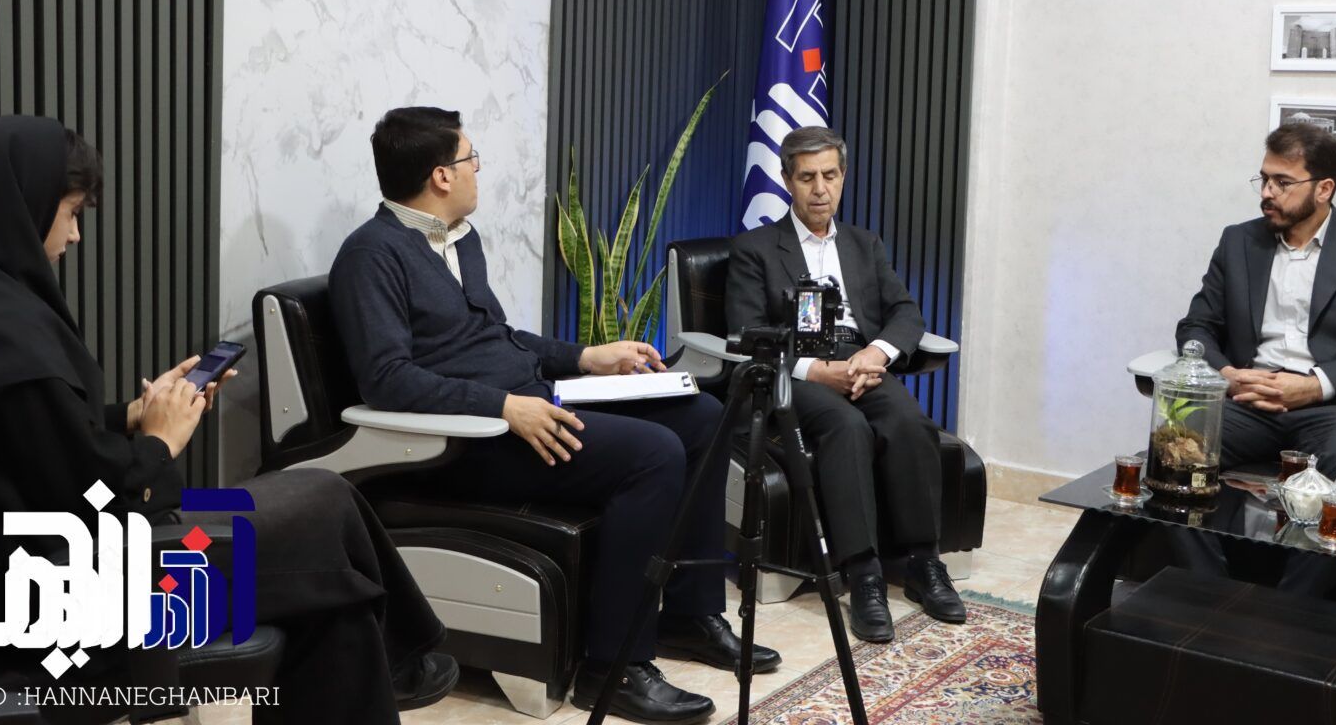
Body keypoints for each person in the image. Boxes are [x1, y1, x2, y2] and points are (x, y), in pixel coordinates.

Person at [0, 116, 457, 725]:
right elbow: (89, 496)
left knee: (333, 599)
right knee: (326, 501)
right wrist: (160, 444)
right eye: (70, 213)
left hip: (52, 563)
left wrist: (130, 416)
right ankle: (409, 655)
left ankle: (405, 656)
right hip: (80, 587)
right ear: (18, 210)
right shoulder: (5, 339)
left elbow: (31, 444)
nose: (75, 235)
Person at [328, 107, 780, 725]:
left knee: (701, 414)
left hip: (529, 403)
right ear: (440, 175)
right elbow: (387, 378)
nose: (477, 168)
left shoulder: (460, 240)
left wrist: (586, 357)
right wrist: (503, 407)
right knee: (653, 455)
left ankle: (689, 614)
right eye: (469, 158)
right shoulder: (370, 255)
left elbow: (498, 339)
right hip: (468, 441)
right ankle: (612, 668)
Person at [725, 126, 965, 644]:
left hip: (860, 358)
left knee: (909, 422)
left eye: (830, 176)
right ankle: (864, 575)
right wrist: (816, 371)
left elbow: (906, 313)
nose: (820, 189)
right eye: (807, 177)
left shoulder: (863, 244)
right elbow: (747, 333)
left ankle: (924, 563)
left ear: (843, 177)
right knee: (846, 426)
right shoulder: (755, 249)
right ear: (787, 180)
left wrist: (876, 354)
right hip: (796, 371)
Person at [1177, 122, 1336, 477]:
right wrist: (1228, 376)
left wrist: (1313, 386)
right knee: (1177, 445)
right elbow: (1196, 327)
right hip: (1248, 401)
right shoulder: (1238, 242)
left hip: (1334, 406)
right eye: (1264, 179)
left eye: (1283, 182)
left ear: (1324, 189)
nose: (1267, 192)